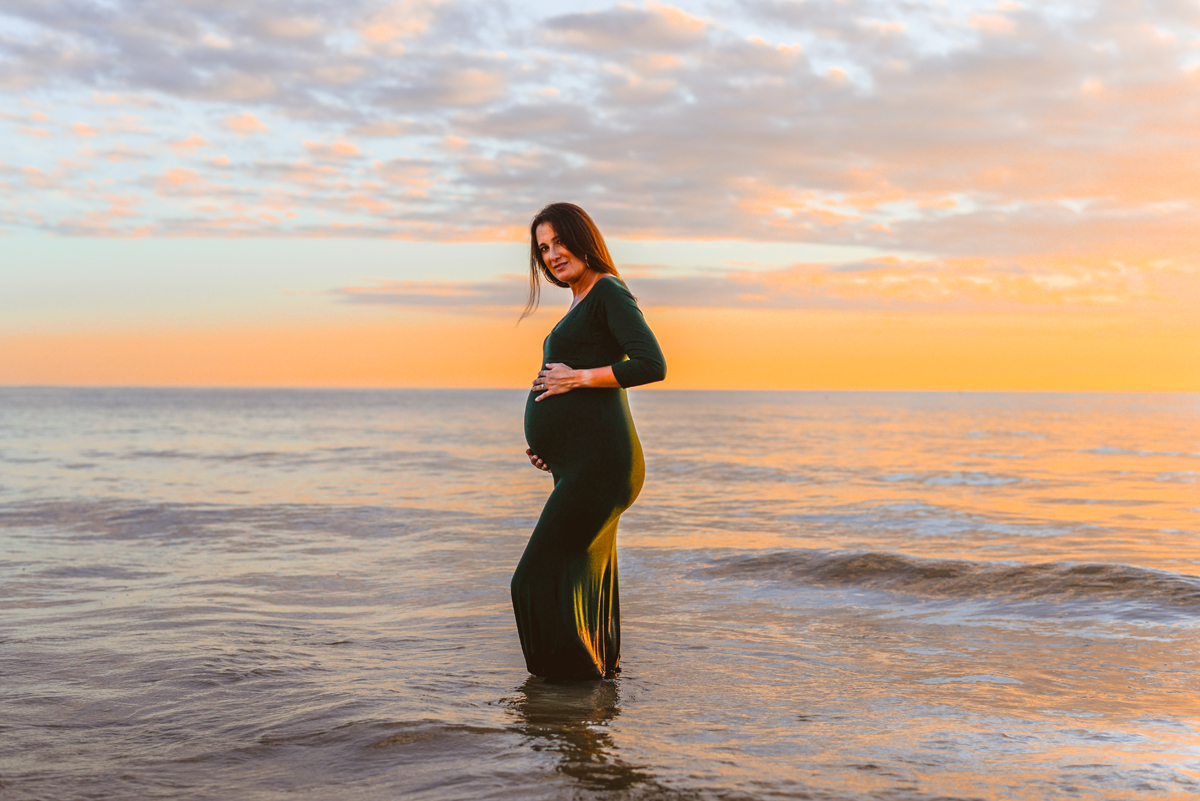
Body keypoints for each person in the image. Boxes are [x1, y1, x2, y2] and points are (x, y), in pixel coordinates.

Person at [511, 202, 666, 681]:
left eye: (559, 241)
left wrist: (578, 378)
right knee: (581, 577)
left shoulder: (608, 292)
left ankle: (564, 693)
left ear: (583, 238)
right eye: (543, 248)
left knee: (533, 580)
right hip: (582, 463)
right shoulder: (580, 300)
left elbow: (651, 364)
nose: (552, 255)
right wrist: (552, 446)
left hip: (603, 466)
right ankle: (597, 684)